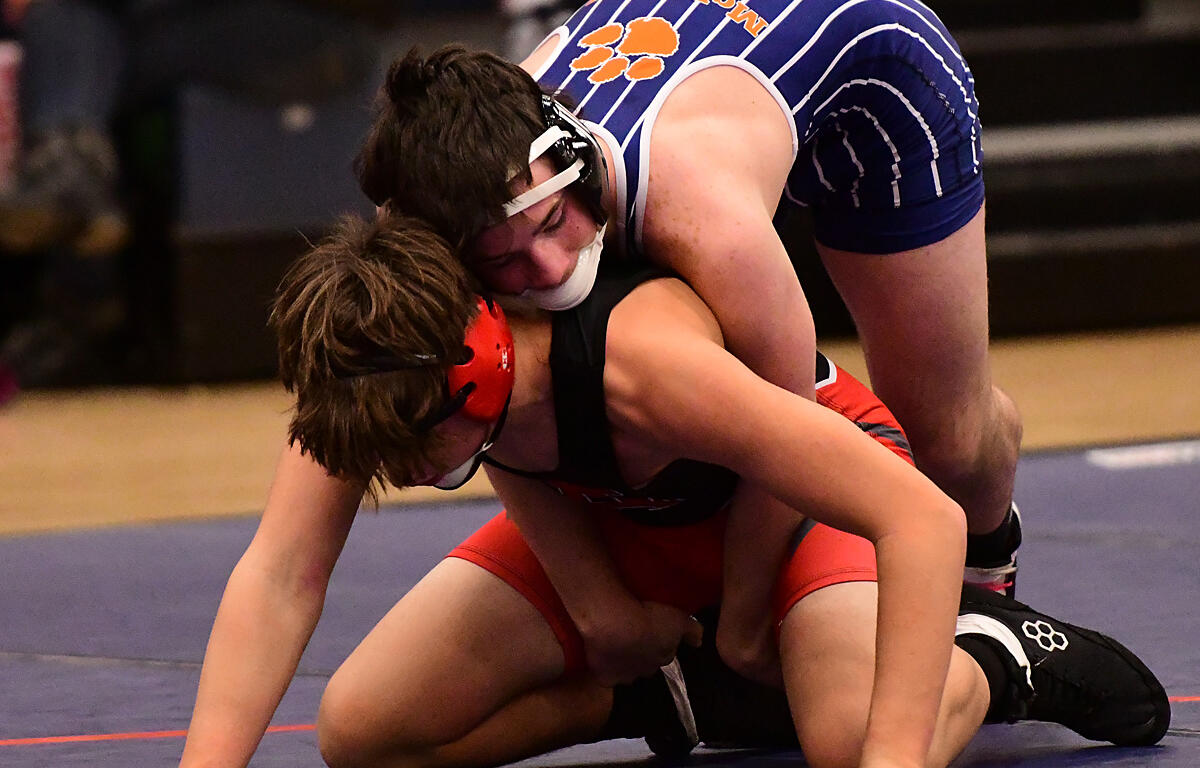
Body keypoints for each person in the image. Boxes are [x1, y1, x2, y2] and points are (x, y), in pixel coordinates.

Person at [177, 212, 1168, 768]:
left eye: (409, 454)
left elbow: (919, 515)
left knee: (853, 740)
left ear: (475, 369)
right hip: (626, 520)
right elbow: (281, 574)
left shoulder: (646, 363)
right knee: (364, 734)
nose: (398, 477)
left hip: (801, 498)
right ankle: (661, 695)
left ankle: (996, 652)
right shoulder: (369, 370)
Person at [354, 0, 1024, 640]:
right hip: (713, 80)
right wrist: (597, 607)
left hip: (879, 90)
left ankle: (993, 566)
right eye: (502, 258)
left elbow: (795, 410)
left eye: (555, 222)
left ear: (572, 164)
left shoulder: (699, 212)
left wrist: (743, 620)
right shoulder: (434, 205)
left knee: (946, 439)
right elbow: (492, 400)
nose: (552, 269)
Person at [0, 0, 376, 389]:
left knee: (75, 34)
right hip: (207, 23)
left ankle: (72, 197)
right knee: (76, 36)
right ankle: (74, 198)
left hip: (310, 27)